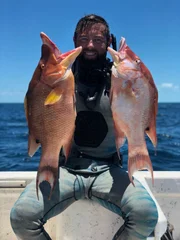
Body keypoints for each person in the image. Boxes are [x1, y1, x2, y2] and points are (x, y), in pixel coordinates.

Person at [10, 14, 158, 240]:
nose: (90, 45)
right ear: (74, 40)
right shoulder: (63, 75)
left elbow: (140, 97)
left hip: (108, 170)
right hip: (65, 169)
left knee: (146, 214)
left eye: (98, 40)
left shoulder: (120, 77)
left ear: (108, 42)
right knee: (22, 216)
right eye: (84, 38)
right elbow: (38, 101)